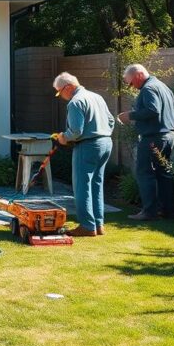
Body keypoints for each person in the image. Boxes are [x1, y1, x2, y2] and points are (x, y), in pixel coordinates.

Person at [53, 72, 115, 237]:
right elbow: (111, 121)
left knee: (82, 186)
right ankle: (98, 224)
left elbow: (76, 131)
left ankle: (87, 226)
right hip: (106, 142)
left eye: (60, 92)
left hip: (87, 146)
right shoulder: (97, 97)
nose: (61, 96)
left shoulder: (75, 102)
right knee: (96, 184)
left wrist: (63, 137)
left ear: (68, 87)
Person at [117, 64, 174, 221]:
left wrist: (130, 115)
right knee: (163, 174)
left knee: (144, 173)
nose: (132, 87)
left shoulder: (148, 88)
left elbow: (153, 110)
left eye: (131, 83)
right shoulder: (162, 86)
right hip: (168, 135)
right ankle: (167, 211)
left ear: (138, 75)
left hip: (153, 138)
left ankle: (149, 212)